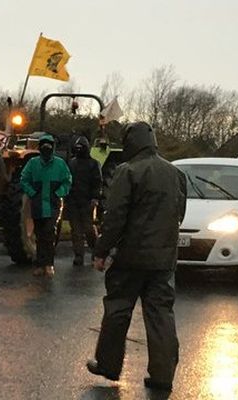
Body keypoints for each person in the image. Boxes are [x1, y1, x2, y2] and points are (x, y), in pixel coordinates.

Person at [86, 122, 186, 392]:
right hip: (164, 260)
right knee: (161, 315)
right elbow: (181, 214)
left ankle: (108, 364)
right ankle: (163, 375)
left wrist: (101, 251)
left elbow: (115, 217)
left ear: (131, 143)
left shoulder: (127, 171)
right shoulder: (175, 173)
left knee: (118, 309)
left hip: (130, 258)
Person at [20, 133, 72, 277]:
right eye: (43, 145)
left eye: (49, 145)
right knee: (39, 235)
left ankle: (48, 265)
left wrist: (59, 193)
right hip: (37, 205)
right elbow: (24, 179)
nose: (46, 148)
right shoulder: (33, 163)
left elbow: (67, 181)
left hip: (53, 204)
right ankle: (39, 264)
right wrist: (32, 193)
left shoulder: (60, 164)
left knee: (49, 234)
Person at [65, 136, 102, 266]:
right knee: (76, 230)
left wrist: (95, 198)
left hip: (87, 201)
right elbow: (67, 180)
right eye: (77, 148)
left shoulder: (93, 164)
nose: (79, 150)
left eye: (81, 148)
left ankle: (96, 251)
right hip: (73, 200)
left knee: (88, 229)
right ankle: (79, 255)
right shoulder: (72, 163)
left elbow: (97, 182)